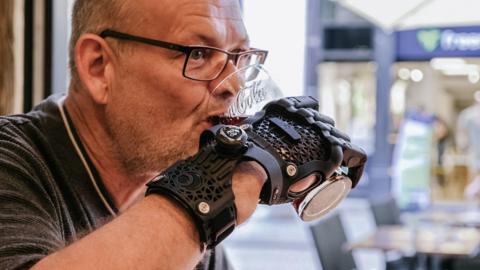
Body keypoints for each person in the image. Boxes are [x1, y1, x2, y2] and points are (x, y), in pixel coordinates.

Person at [0, 0, 321, 269]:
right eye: (198, 54)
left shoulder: (167, 194)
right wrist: (224, 185)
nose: (232, 86)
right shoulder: (11, 160)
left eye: (238, 57)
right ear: (99, 67)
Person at [458, 91, 480, 200]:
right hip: (473, 150)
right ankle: (472, 194)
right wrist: (463, 146)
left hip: (474, 150)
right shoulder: (467, 115)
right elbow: (462, 133)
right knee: (473, 172)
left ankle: (472, 191)